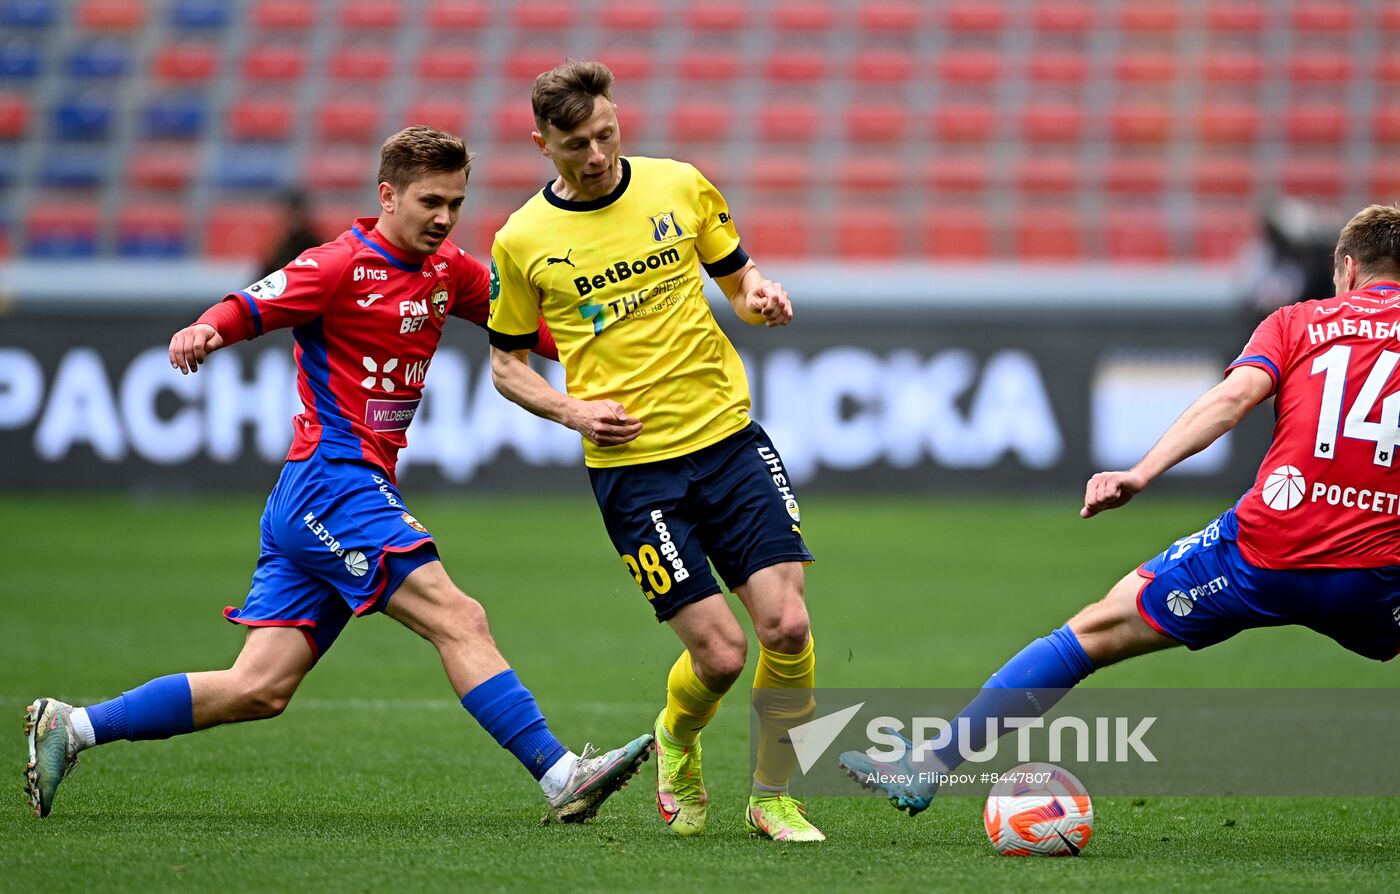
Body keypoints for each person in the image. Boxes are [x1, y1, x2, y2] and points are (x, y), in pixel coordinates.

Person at [25, 125, 652, 821]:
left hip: (321, 494)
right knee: (459, 616)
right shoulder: (338, 265)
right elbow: (251, 303)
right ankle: (561, 774)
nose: (444, 218)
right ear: (387, 196)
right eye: (429, 202)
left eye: (454, 202)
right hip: (336, 481)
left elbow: (531, 330)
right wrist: (205, 328)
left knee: (257, 688)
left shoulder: (449, 270)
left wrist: (621, 348)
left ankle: (71, 726)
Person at [840, 203, 1400, 815]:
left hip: (1264, 549)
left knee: (1093, 631)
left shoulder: (1297, 321)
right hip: (1382, 570)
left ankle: (931, 764)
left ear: (1346, 268)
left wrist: (1141, 472)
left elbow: (1233, 397)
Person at [485, 61, 824, 842]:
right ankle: (677, 738)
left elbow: (738, 281)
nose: (597, 154)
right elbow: (506, 365)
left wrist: (760, 298)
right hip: (634, 474)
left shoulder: (678, 185)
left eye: (606, 133)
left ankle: (774, 796)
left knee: (789, 628)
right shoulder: (523, 240)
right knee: (722, 656)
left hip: (731, 440)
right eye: (576, 143)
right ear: (542, 144)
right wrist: (573, 410)